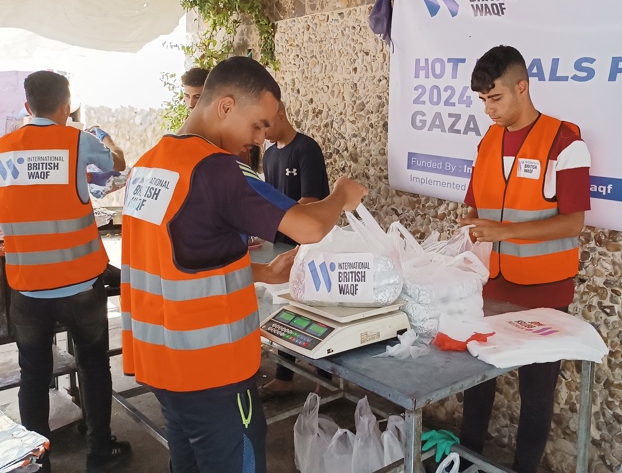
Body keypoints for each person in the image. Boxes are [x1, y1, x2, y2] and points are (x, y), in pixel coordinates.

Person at [120, 56, 367, 473]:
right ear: (226, 106)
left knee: (189, 463)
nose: (260, 140)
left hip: (160, 365)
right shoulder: (216, 169)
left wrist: (262, 272)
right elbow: (308, 226)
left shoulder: (148, 165)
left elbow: (180, 260)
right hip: (213, 372)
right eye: (257, 126)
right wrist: (341, 193)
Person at [459, 45, 591, 473]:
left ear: (522, 87)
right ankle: (465, 461)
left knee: (536, 394)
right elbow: (474, 207)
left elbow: (573, 223)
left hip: (546, 291)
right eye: (483, 101)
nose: (489, 111)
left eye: (495, 99)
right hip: (492, 285)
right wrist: (467, 233)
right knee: (476, 386)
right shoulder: (488, 141)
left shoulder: (565, 142)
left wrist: (506, 232)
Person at [0, 71, 130, 473]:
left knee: (33, 375)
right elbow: (119, 165)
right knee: (93, 365)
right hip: (80, 285)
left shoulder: (4, 149)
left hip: (27, 288)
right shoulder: (78, 140)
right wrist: (104, 137)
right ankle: (99, 450)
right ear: (65, 105)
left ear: (27, 107)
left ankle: (38, 461)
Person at [258, 101, 332, 400]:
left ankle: (325, 384)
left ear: (281, 113)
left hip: (310, 243)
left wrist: (277, 219)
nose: (262, 133)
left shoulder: (306, 149)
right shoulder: (270, 153)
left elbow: (311, 202)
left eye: (265, 124)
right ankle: (285, 376)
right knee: (286, 309)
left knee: (316, 311)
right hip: (283, 243)